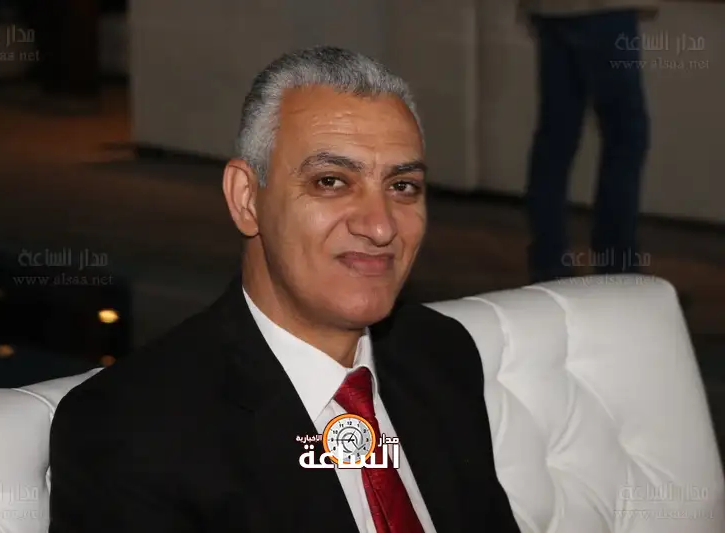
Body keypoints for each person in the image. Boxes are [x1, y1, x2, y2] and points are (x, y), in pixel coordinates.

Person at [48, 46, 520, 533]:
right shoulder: (132, 430)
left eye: (402, 187)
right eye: (331, 181)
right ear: (246, 199)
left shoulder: (440, 354)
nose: (381, 226)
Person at [519, 1, 657, 282]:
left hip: (550, 9)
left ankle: (549, 262)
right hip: (604, 7)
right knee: (625, 136)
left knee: (556, 137)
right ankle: (617, 268)